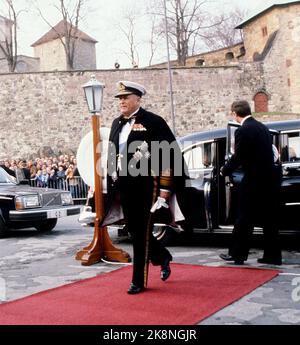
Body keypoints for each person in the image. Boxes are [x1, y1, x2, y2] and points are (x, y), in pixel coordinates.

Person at [105, 80, 186, 294]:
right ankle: (162, 256)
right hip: (123, 186)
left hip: (146, 186)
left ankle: (138, 280)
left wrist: (165, 191)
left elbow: (169, 156)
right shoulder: (116, 123)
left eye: (126, 97)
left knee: (140, 231)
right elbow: (112, 153)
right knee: (134, 230)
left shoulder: (153, 121)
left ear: (138, 99)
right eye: (119, 98)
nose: (122, 101)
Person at [219, 100, 282, 265]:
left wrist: (224, 170)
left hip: (254, 180)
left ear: (235, 113)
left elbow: (238, 156)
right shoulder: (262, 127)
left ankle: (237, 254)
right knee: (270, 219)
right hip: (269, 180)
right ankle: (273, 255)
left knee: (244, 217)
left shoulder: (243, 130)